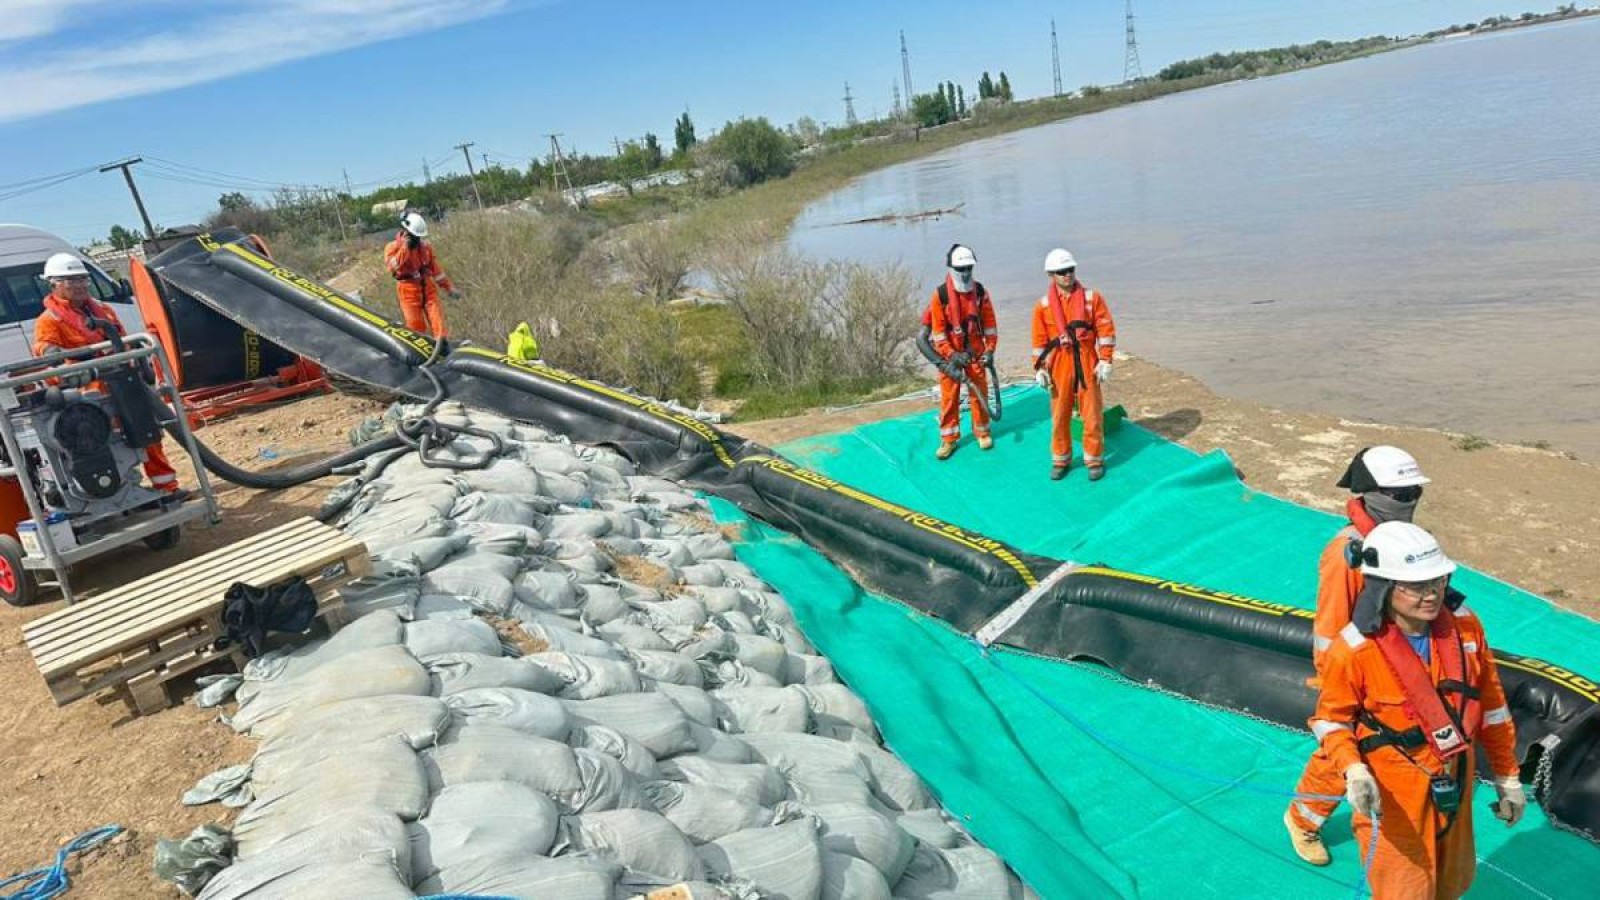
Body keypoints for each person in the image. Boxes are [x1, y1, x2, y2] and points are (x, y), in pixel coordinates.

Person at [1310, 521, 1523, 899]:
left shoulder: (1466, 630)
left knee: (1451, 881)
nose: (1432, 595)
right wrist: (1354, 769)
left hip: (1456, 776)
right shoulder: (1354, 650)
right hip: (1395, 794)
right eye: (1417, 586)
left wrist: (1507, 777)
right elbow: (1331, 720)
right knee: (1403, 890)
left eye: (1438, 582)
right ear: (1383, 587)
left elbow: (1491, 707)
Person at [1287, 445, 1433, 864]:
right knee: (1344, 748)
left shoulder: (1405, 541)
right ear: (1370, 493)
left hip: (1402, 663)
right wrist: (1337, 683)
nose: (1408, 503)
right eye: (1400, 495)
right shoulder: (1345, 554)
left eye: (1413, 495)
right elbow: (1331, 628)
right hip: (1359, 669)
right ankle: (1304, 819)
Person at [31, 252, 182, 497]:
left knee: (147, 433)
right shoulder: (49, 321)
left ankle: (166, 487)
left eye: (83, 279)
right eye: (71, 280)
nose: (80, 285)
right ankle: (120, 491)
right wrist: (64, 362)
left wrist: (139, 363)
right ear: (54, 284)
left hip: (124, 384)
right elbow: (45, 353)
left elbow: (123, 341)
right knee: (104, 444)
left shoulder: (103, 311)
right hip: (87, 397)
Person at [1030, 249, 1116, 480]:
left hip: (1087, 359)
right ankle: (1061, 459)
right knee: (1059, 414)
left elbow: (1105, 330)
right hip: (1059, 362)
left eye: (1070, 270)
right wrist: (1039, 368)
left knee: (1092, 414)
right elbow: (1039, 341)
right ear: (1051, 274)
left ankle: (1094, 459)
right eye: (1061, 272)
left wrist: (1105, 360)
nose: (1067, 275)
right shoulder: (1043, 306)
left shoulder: (1092, 298)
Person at [926, 244, 997, 460]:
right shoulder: (940, 296)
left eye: (969, 268)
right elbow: (938, 333)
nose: (966, 272)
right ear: (952, 269)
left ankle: (982, 432)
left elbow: (990, 326)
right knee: (949, 397)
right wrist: (951, 355)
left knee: (979, 393)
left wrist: (990, 350)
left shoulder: (980, 293)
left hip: (975, 352)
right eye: (961, 268)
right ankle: (949, 439)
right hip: (952, 357)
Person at [384, 211, 459, 337]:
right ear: (406, 232)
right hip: (408, 291)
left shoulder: (425, 248)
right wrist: (405, 249)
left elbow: (437, 272)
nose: (417, 239)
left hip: (428, 288)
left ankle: (442, 346)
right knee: (416, 328)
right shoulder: (392, 248)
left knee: (439, 325)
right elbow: (392, 267)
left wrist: (449, 288)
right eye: (414, 236)